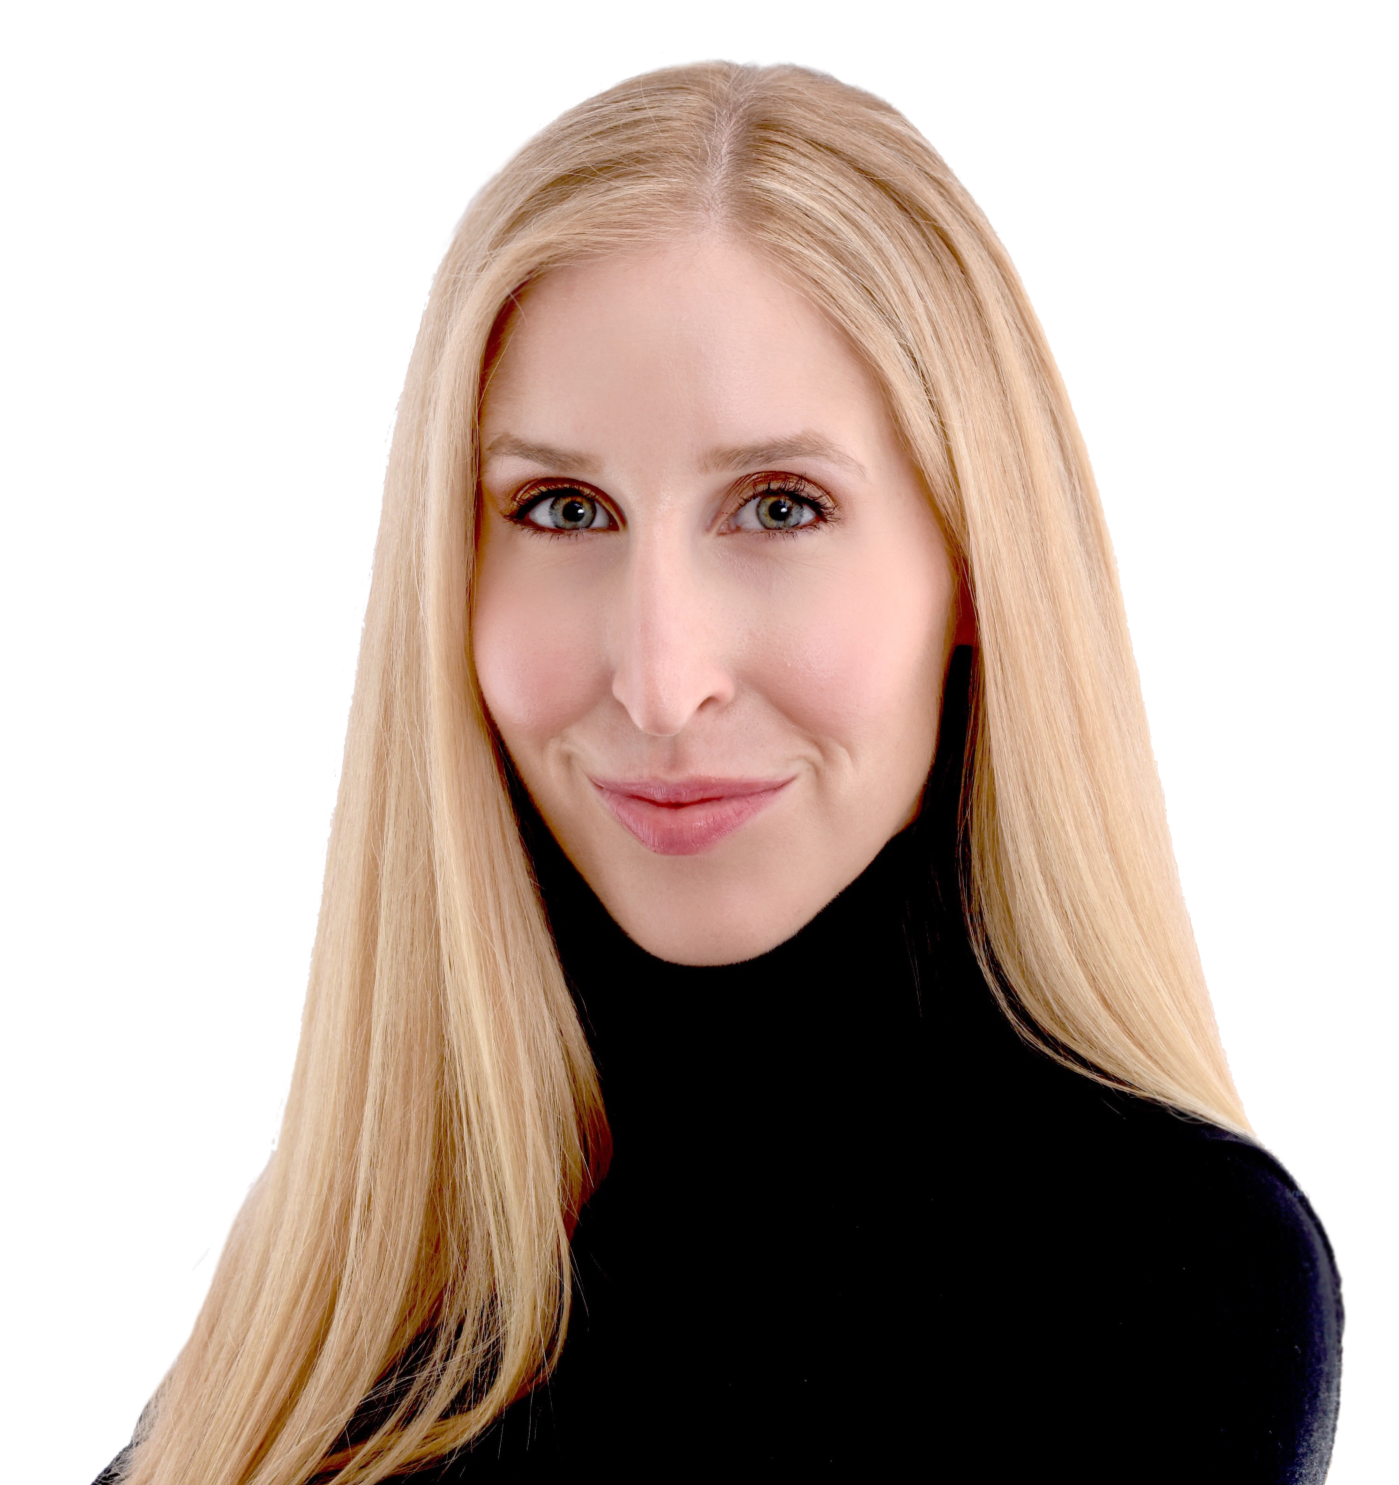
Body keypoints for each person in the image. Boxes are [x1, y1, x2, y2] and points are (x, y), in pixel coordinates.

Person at [93, 58, 1345, 1484]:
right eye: (562, 509)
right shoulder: (321, 1276)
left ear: (972, 565)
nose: (659, 677)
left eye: (779, 507)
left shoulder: (1165, 1279)